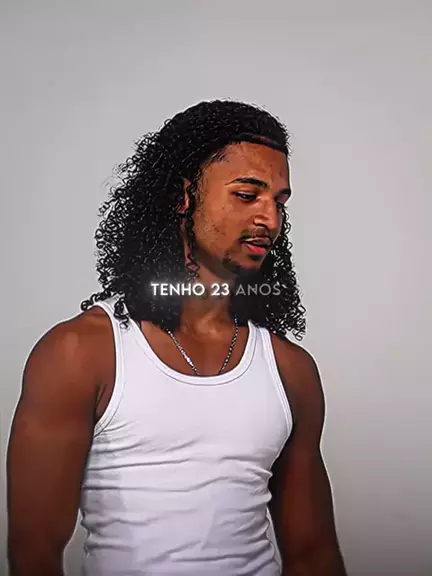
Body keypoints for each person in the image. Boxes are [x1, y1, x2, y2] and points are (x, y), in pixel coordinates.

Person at [7, 100, 347, 576]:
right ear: (182, 196)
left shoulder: (289, 369)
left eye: (279, 202)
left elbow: (314, 555)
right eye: (247, 195)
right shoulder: (81, 354)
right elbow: (34, 554)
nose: (270, 220)